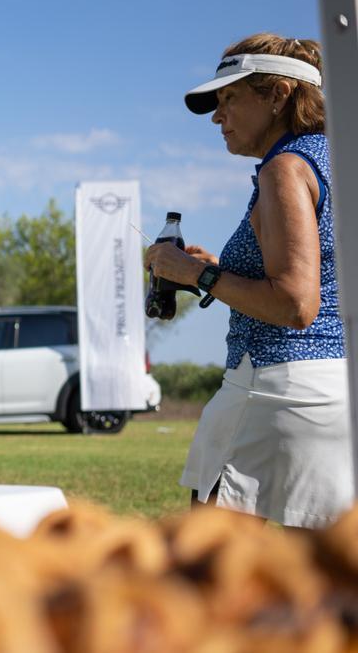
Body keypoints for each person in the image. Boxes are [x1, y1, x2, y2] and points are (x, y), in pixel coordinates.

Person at [146, 33, 353, 528]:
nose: (218, 116)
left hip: (271, 397)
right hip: (330, 394)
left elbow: (296, 304)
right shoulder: (331, 158)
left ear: (278, 95)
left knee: (217, 584)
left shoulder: (283, 169)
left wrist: (197, 273)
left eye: (230, 98)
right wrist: (219, 271)